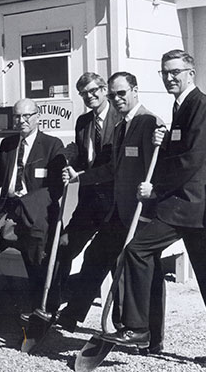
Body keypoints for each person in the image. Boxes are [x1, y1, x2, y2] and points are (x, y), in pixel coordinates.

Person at [102, 50, 206, 351]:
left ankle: (137, 329)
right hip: (188, 205)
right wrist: (165, 140)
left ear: (191, 72)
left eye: (175, 71)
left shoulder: (198, 105)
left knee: (136, 250)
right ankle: (141, 330)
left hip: (188, 204)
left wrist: (156, 190)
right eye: (165, 72)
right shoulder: (181, 107)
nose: (169, 77)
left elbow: (192, 160)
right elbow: (180, 150)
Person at [61, 72, 166, 353]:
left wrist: (152, 196)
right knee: (97, 255)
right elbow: (113, 169)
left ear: (134, 90)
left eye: (122, 93)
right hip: (119, 212)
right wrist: (80, 177)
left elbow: (161, 168)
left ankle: (152, 338)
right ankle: (127, 328)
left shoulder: (150, 123)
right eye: (114, 95)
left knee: (146, 272)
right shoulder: (122, 127)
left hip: (141, 212)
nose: (117, 99)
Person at [0, 98, 65, 321]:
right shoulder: (8, 145)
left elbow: (55, 189)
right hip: (8, 210)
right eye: (17, 116)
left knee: (35, 255)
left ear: (37, 117)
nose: (22, 121)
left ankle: (40, 308)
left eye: (26, 116)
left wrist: (29, 205)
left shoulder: (52, 145)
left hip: (36, 214)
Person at [53, 72, 120, 311]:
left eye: (93, 91)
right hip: (88, 202)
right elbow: (83, 157)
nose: (89, 96)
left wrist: (81, 175)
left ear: (104, 90)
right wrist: (68, 163)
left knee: (114, 260)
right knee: (64, 245)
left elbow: (115, 165)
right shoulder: (83, 122)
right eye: (84, 93)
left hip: (114, 204)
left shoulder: (120, 118)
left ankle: (122, 323)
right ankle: (52, 305)